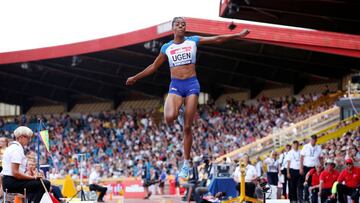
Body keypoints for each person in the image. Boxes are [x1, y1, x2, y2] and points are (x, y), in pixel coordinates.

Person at [126, 16, 250, 179]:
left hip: (192, 84)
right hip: (176, 85)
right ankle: (179, 112)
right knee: (169, 117)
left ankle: (186, 162)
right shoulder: (166, 47)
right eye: (178, 24)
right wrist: (136, 77)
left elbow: (217, 39)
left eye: (183, 24)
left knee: (187, 127)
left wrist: (237, 35)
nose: (181, 26)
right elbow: (154, 66)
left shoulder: (193, 40)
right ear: (173, 28)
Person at [2, 126, 51, 203]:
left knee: (39, 184)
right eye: (28, 138)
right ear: (21, 137)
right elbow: (15, 173)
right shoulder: (16, 149)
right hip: (12, 182)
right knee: (45, 183)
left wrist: (33, 177)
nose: (29, 140)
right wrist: (33, 177)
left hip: (10, 181)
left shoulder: (13, 147)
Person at [299, 134, 322, 202]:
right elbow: (301, 158)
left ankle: (313, 198)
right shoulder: (305, 146)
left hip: (315, 168)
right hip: (307, 167)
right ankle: (306, 199)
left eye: (314, 140)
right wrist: (301, 168)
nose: (313, 141)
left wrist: (322, 166)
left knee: (314, 183)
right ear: (310, 140)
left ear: (316, 140)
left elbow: (321, 158)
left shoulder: (318, 147)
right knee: (306, 183)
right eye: (312, 140)